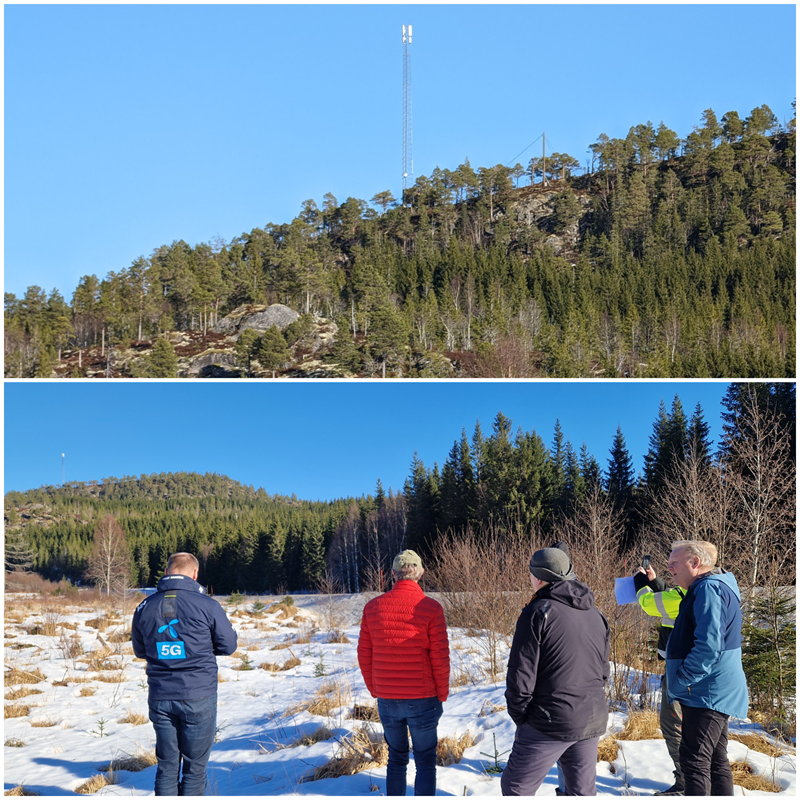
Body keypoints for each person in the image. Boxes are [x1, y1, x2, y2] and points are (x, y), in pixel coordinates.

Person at [501, 547, 610, 796]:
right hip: (591, 716)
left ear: (538, 578)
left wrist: (522, 717)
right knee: (581, 791)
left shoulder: (538, 612)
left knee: (515, 787)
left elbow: (521, 673)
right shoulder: (596, 613)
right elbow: (603, 671)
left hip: (550, 720)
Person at [131, 552, 238, 795]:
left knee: (167, 766)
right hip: (198, 694)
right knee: (194, 768)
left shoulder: (144, 606)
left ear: (167, 572)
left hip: (161, 696)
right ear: (195, 574)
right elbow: (228, 645)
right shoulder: (208, 605)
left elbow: (140, 650)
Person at [357, 549, 450, 796]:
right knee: (425, 760)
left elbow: (365, 655)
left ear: (394, 574)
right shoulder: (431, 608)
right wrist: (442, 693)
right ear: (419, 572)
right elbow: (440, 658)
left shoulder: (373, 607)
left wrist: (376, 689)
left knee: (396, 759)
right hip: (423, 699)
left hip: (388, 699)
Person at [665, 541, 749, 796]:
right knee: (714, 759)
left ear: (695, 563)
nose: (669, 568)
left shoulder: (708, 589)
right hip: (710, 688)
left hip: (707, 691)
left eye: (674, 563)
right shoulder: (712, 586)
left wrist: (682, 680)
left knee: (694, 761)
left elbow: (709, 646)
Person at [632, 562, 685, 795]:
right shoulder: (699, 591)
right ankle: (700, 779)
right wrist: (656, 583)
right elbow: (669, 601)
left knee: (674, 726)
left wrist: (641, 584)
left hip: (679, 672)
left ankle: (686, 783)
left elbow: (649, 603)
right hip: (689, 670)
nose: (671, 568)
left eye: (676, 564)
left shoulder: (680, 596)